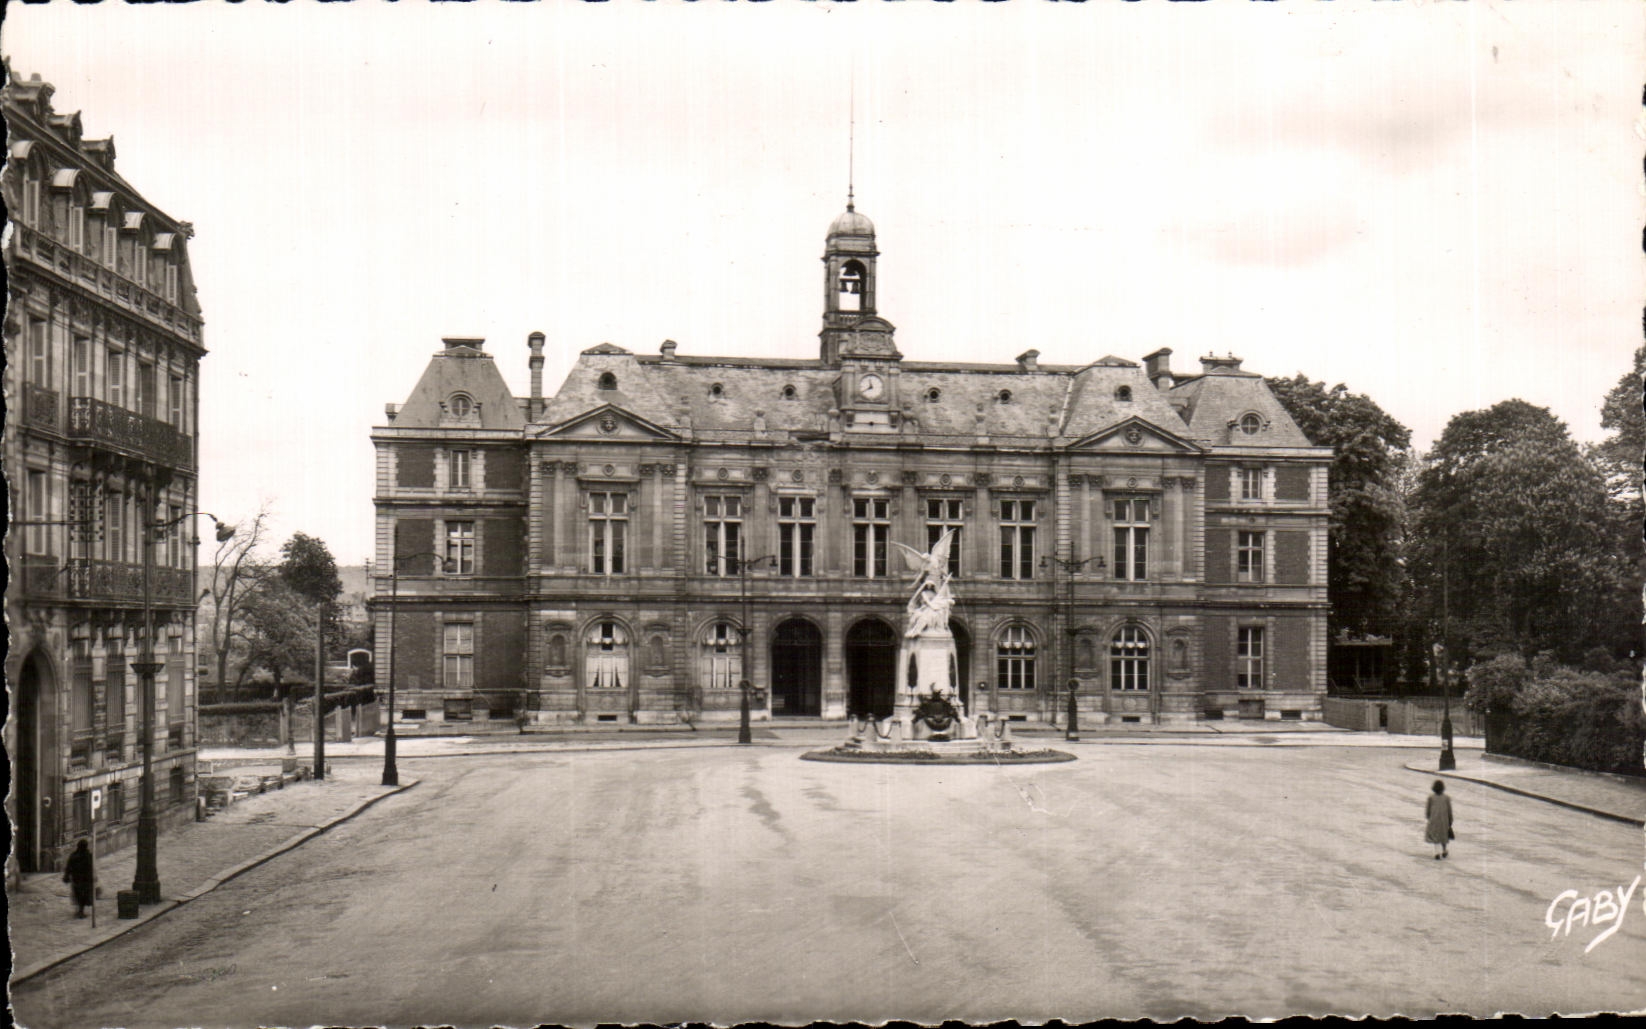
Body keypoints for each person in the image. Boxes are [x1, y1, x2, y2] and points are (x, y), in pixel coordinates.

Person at [63, 839, 95, 918]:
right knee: (82, 895)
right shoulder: (88, 855)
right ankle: (80, 911)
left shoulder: (74, 855)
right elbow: (90, 868)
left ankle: (80, 910)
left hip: (76, 879)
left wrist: (66, 876)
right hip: (84, 879)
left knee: (78, 894)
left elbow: (68, 867)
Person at [1425, 780, 1454, 860]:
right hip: (1444, 820)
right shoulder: (1446, 798)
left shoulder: (1431, 798)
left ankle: (1437, 852)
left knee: (1436, 836)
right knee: (1444, 836)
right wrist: (1450, 820)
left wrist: (1428, 817)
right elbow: (1449, 810)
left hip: (1434, 820)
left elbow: (1428, 810)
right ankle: (1444, 850)